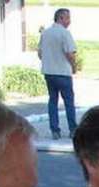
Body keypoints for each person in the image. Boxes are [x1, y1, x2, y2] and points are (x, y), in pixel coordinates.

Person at [38, 8, 78, 140]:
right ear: (60, 18)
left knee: (53, 101)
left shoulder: (45, 33)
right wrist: (74, 66)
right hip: (63, 72)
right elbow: (70, 54)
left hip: (49, 72)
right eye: (67, 18)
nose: (69, 21)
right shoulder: (65, 33)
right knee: (68, 101)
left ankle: (55, 130)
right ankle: (72, 128)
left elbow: (40, 53)